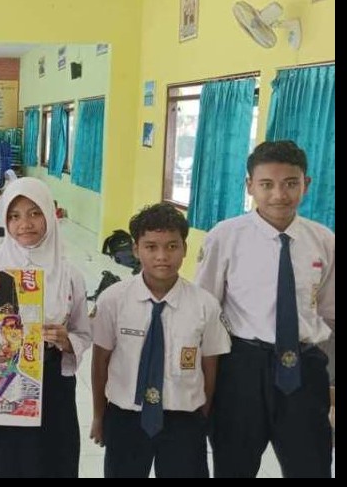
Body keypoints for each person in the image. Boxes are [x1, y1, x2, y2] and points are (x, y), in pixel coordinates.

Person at [195, 140, 334, 478]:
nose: (279, 195)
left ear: (306, 184)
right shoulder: (225, 237)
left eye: (290, 183)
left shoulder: (323, 240)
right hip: (242, 367)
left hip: (305, 367)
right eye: (267, 184)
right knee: (234, 465)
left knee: (311, 465)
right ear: (250, 186)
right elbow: (204, 312)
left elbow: (329, 313)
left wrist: (332, 379)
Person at [0, 177, 92, 477]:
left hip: (51, 386)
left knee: (48, 462)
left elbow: (83, 333)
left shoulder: (69, 275)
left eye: (34, 213)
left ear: (49, 215)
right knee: (4, 462)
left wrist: (66, 340)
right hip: (0, 382)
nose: (25, 224)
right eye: (15, 216)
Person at [89, 202, 230, 478]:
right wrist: (98, 415)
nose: (162, 256)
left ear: (185, 249)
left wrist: (201, 415)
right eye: (151, 247)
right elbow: (100, 362)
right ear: (135, 249)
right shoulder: (113, 300)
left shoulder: (205, 305)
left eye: (172, 246)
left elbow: (210, 367)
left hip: (184, 419)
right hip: (126, 417)